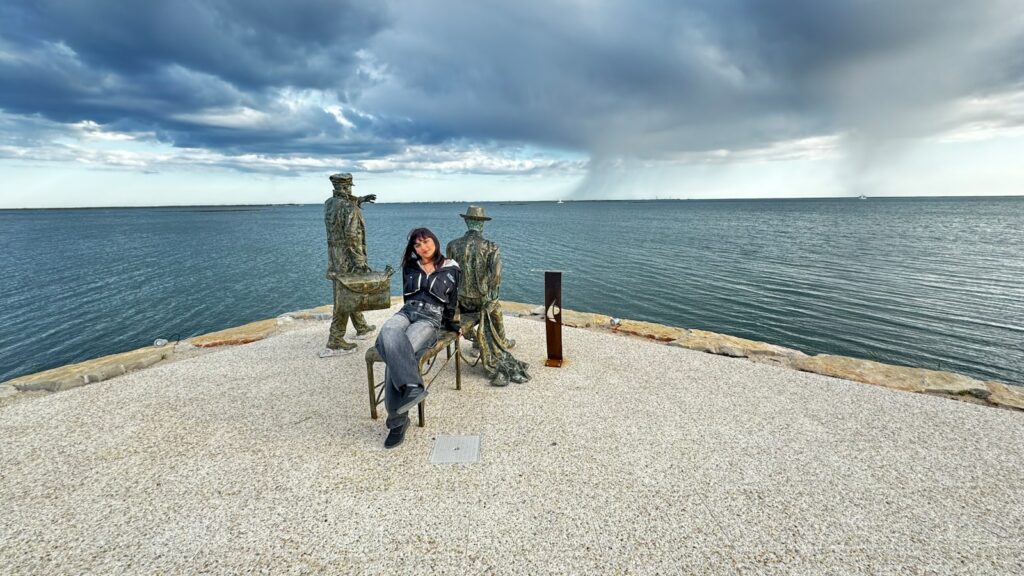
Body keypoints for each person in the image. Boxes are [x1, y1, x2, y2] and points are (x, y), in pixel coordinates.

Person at [375, 228, 461, 448]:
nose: (423, 247)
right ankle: (413, 386)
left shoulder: (451, 268)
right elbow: (407, 295)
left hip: (430, 318)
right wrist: (406, 316)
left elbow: (452, 301)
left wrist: (451, 324)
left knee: (396, 356)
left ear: (435, 241)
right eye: (417, 244)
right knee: (388, 331)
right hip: (407, 311)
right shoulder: (410, 266)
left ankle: (397, 423)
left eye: (426, 241)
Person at [446, 206, 530, 386]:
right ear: (482, 224)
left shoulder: (452, 245)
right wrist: (490, 296)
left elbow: (449, 276)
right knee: (495, 308)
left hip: (461, 301)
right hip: (482, 300)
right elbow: (496, 277)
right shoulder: (492, 247)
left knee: (490, 306)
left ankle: (478, 343)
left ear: (466, 221)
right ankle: (501, 341)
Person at [320, 173, 377, 358]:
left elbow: (341, 206)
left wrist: (359, 200)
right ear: (346, 187)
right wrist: (360, 261)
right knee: (344, 299)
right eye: (350, 187)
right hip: (348, 260)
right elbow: (352, 237)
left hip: (335, 259)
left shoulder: (329, 203)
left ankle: (361, 327)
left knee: (350, 294)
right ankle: (335, 340)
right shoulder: (350, 208)